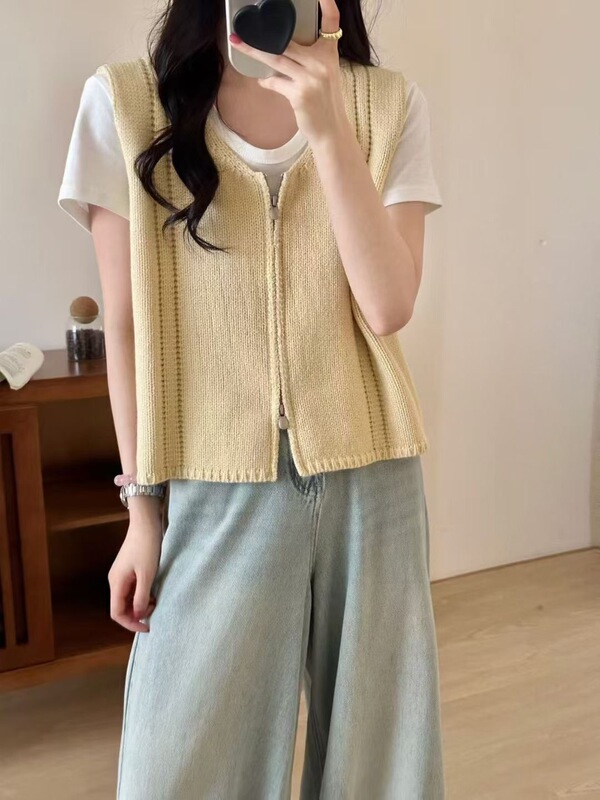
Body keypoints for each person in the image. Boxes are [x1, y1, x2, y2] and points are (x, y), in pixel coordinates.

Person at [58, 0, 445, 797]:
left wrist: (329, 128)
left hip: (372, 478)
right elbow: (125, 328)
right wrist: (142, 510)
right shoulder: (125, 104)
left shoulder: (387, 104)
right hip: (213, 484)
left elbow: (387, 306)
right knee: (179, 768)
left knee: (383, 771)